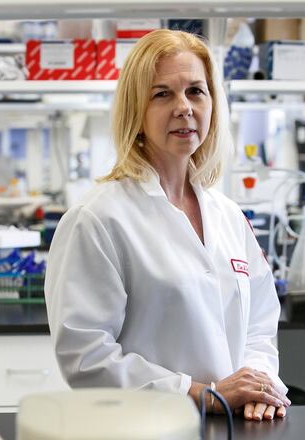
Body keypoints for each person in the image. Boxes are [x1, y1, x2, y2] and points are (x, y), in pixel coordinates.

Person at [45, 29, 290, 421]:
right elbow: (86, 357)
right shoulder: (97, 219)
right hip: (143, 426)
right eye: (162, 94)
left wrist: (258, 384)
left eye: (196, 91)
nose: (184, 107)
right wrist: (200, 394)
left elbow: (260, 322)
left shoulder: (228, 216)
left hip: (234, 424)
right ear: (135, 112)